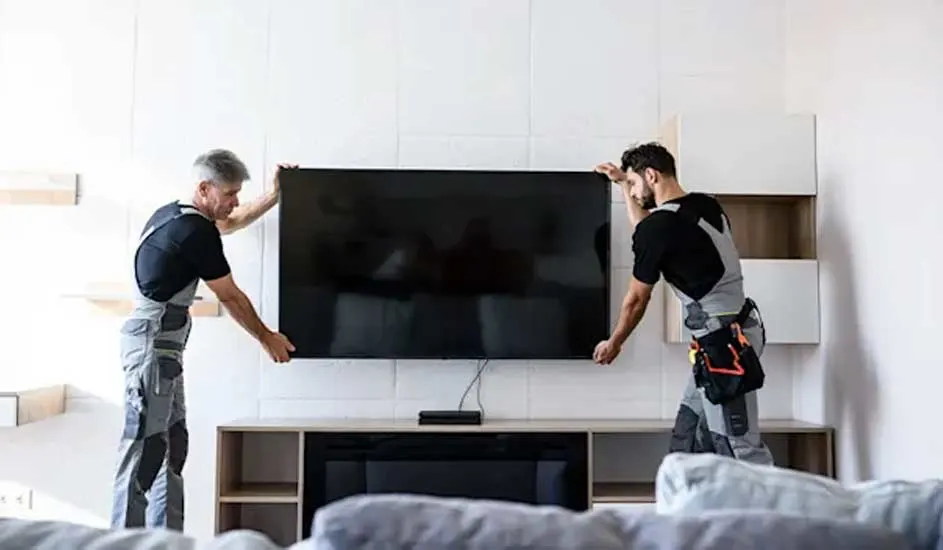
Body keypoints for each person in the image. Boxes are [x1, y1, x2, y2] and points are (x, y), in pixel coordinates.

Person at [110, 149, 297, 531]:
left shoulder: (178, 216)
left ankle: (167, 538)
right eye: (229, 193)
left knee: (171, 446)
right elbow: (230, 296)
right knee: (144, 449)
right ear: (204, 189)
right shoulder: (194, 231)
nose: (235, 202)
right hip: (151, 348)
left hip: (165, 349)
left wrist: (275, 195)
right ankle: (123, 541)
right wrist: (266, 337)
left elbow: (232, 222)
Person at [593, 142, 773, 466]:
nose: (633, 193)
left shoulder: (659, 228)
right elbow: (649, 231)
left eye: (633, 183)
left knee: (739, 448)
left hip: (725, 349)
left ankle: (771, 501)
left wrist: (615, 342)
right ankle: (687, 498)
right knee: (688, 440)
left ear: (651, 175)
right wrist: (622, 183)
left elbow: (636, 299)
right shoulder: (706, 205)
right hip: (738, 331)